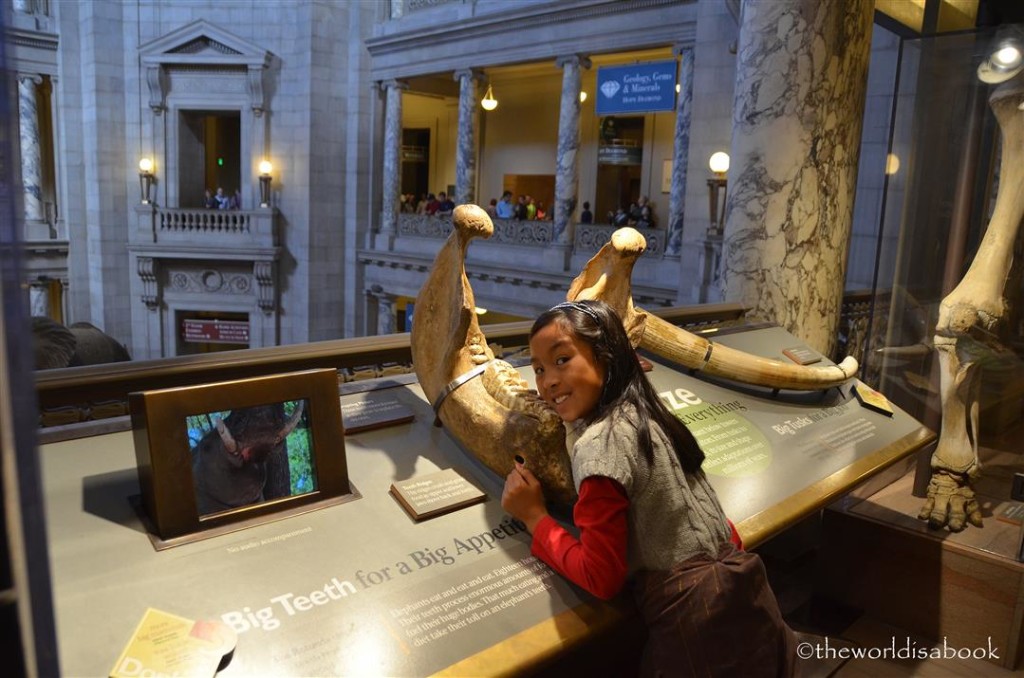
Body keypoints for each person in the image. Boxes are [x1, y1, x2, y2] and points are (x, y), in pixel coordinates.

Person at [501, 300, 796, 677]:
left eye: (562, 360)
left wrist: (534, 517)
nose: (547, 382)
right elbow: (723, 528)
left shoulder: (598, 447)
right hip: (750, 598)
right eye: (538, 369)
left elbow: (601, 576)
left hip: (695, 627)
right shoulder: (654, 416)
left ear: (607, 357)